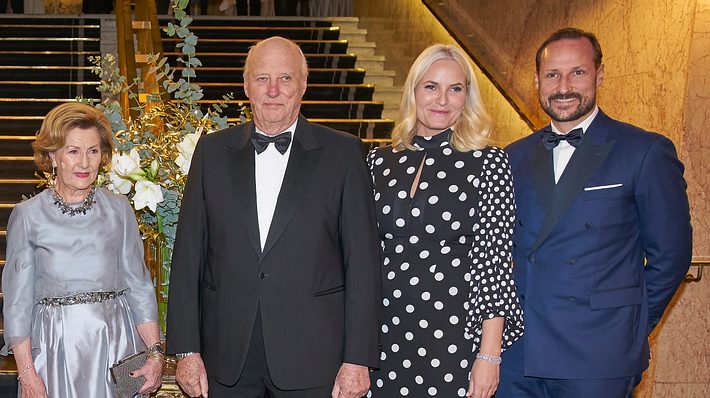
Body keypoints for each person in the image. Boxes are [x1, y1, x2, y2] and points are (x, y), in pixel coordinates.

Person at [166, 36, 382, 398]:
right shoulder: (212, 153)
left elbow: (362, 262)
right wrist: (187, 350)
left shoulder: (343, 154)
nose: (273, 90)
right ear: (247, 86)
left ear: (303, 86)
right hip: (227, 356)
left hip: (314, 356)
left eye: (285, 79)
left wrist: (358, 358)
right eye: (262, 78)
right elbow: (188, 256)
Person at [499, 27, 693, 398]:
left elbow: (672, 256)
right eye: (552, 74)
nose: (563, 87)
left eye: (578, 72)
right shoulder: (513, 156)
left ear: (599, 75)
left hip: (598, 354)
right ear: (538, 80)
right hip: (518, 355)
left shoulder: (644, 151)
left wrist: (629, 325)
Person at [366, 43, 524, 398]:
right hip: (383, 335)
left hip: (452, 337)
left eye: (455, 89)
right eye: (431, 86)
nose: (442, 99)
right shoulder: (379, 161)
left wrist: (489, 355)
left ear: (467, 97)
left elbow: (494, 263)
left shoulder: (489, 163)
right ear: (414, 91)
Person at [1, 102, 163, 397]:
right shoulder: (27, 216)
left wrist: (154, 354)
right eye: (73, 151)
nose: (85, 163)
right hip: (55, 349)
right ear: (53, 156)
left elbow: (138, 286)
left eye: (93, 151)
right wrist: (26, 371)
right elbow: (17, 304)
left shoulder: (119, 209)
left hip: (118, 343)